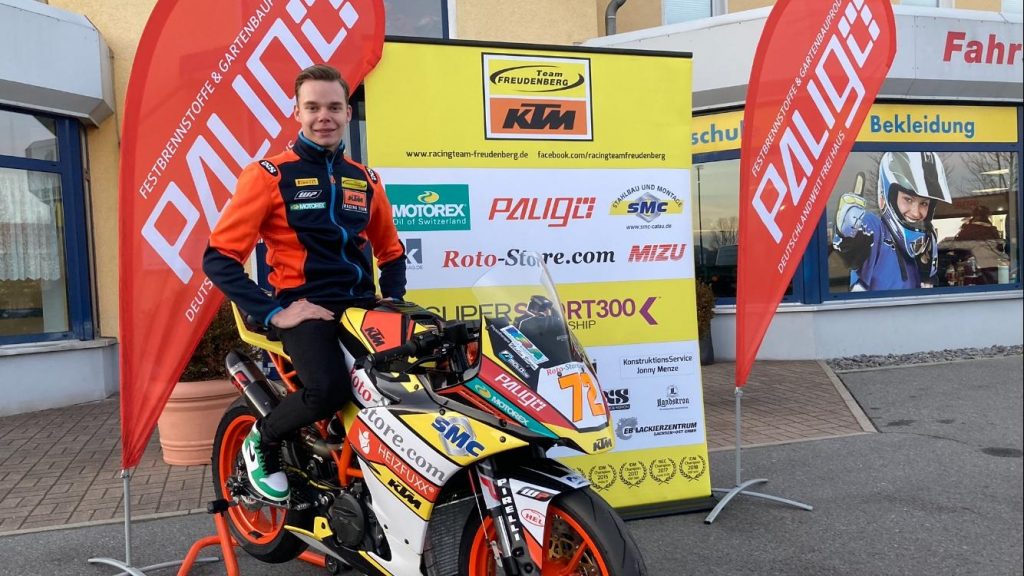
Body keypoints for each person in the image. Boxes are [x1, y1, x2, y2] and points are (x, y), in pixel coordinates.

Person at [203, 64, 406, 502]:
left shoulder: (366, 179)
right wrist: (275, 311)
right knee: (328, 390)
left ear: (348, 113)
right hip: (304, 307)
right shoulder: (269, 175)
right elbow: (218, 258)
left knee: (415, 376)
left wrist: (393, 300)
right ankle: (262, 439)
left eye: (333, 107)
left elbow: (391, 252)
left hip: (360, 306)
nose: (323, 117)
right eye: (312, 107)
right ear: (297, 113)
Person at [833, 151, 952, 291]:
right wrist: (846, 230)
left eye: (924, 203)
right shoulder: (876, 229)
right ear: (887, 197)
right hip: (875, 305)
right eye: (908, 199)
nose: (916, 212)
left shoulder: (925, 242)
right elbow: (852, 247)